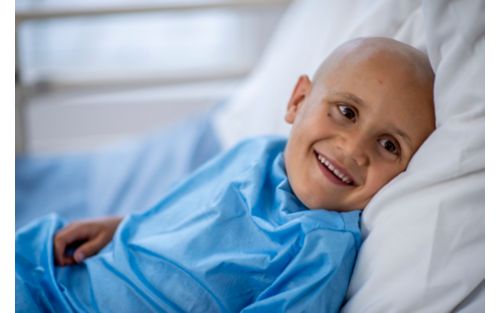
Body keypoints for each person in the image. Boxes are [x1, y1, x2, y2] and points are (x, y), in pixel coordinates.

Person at [16, 37, 435, 312]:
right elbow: (182, 217)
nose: (354, 148)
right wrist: (121, 225)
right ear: (298, 101)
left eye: (388, 145)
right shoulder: (256, 152)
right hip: (70, 277)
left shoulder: (321, 247)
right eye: (346, 112)